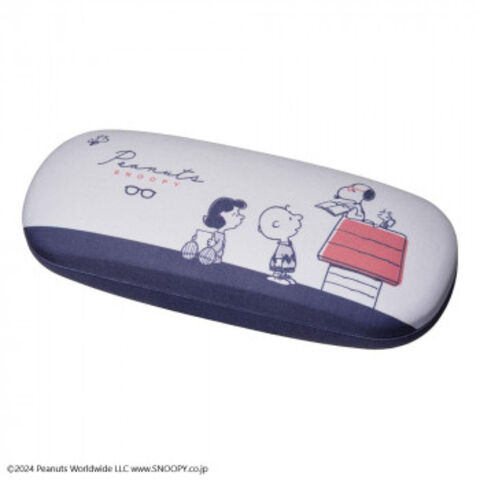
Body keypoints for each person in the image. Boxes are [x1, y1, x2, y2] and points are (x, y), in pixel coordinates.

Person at [181, 197, 247, 265]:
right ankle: (192, 252)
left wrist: (212, 246)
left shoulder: (220, 235)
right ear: (220, 217)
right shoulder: (204, 232)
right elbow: (196, 238)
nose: (241, 217)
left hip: (214, 258)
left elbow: (219, 246)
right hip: (202, 255)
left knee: (209, 254)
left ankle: (205, 256)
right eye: (235, 215)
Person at [258, 205, 303, 285]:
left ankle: (283, 276)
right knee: (280, 271)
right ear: (277, 225)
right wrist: (278, 266)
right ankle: (277, 277)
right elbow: (279, 256)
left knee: (285, 269)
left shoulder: (287, 244)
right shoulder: (282, 246)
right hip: (280, 264)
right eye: (290, 218)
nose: (298, 218)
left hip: (286, 262)